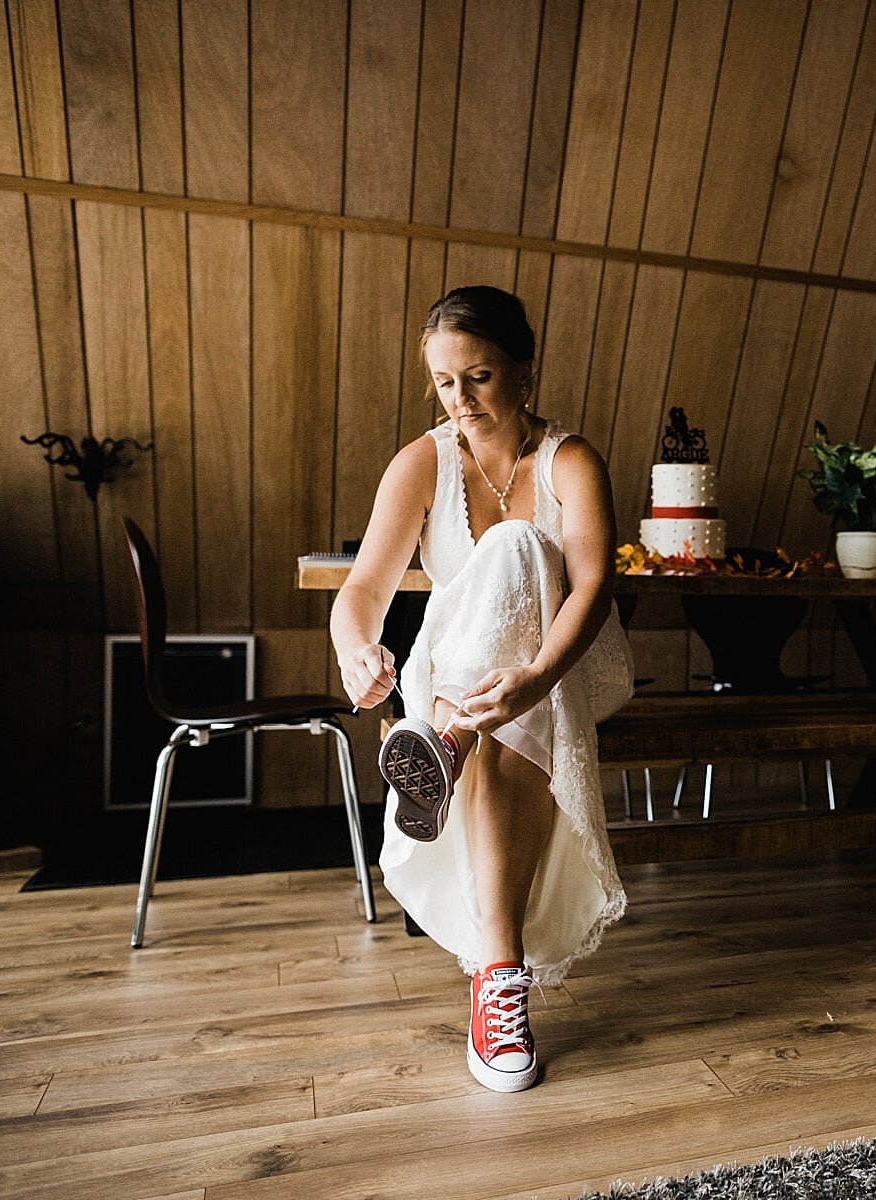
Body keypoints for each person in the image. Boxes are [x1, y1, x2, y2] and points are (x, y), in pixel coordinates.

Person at [330, 285, 628, 1093]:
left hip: (562, 665)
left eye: (480, 378)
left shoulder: (572, 460)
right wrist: (358, 653)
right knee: (487, 722)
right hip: (456, 676)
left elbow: (593, 587)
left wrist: (534, 676)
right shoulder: (422, 462)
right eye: (443, 383)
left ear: (524, 373)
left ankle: (443, 746)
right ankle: (500, 980)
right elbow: (362, 593)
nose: (459, 401)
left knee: (521, 549)